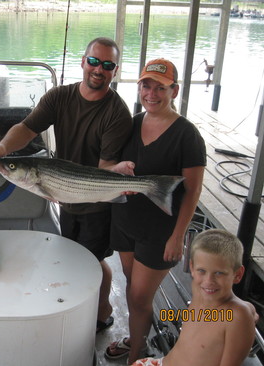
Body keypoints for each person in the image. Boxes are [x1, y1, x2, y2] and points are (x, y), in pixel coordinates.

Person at [0, 37, 134, 332]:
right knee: (74, 254)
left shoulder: (117, 113)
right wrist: (2, 148)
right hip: (64, 193)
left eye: (107, 64)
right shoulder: (59, 97)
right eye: (93, 61)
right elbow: (27, 128)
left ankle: (100, 312)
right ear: (82, 61)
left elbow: (104, 168)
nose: (98, 69)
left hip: (95, 198)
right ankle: (80, 308)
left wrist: (115, 175)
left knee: (94, 260)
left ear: (115, 70)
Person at [105, 59, 206, 363]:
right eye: (146, 85)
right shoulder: (132, 123)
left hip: (159, 231)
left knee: (138, 297)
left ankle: (138, 354)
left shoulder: (187, 135)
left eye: (160, 87)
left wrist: (177, 236)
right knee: (132, 287)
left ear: (173, 90)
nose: (151, 93)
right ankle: (137, 338)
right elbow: (109, 166)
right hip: (123, 221)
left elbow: (193, 190)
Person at [131, 229, 257, 366]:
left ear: (238, 274)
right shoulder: (200, 290)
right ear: (192, 267)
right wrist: (249, 310)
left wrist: (245, 315)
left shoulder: (237, 316)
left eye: (219, 273)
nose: (209, 281)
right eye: (202, 271)